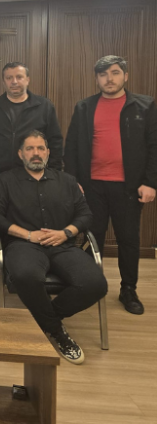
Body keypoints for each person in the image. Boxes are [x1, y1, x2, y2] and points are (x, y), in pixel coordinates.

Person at [0, 131, 108, 365]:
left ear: (48, 152)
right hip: (23, 245)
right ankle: (58, 333)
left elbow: (85, 215)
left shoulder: (67, 181)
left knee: (96, 284)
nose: (36, 153)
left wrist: (66, 233)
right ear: (20, 154)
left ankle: (45, 319)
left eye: (40, 148)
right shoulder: (5, 181)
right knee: (26, 276)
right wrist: (27, 234)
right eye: (30, 149)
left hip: (63, 244)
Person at [65, 55, 157, 315]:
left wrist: (150, 182)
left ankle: (128, 289)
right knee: (91, 237)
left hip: (129, 187)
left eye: (115, 73)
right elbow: (72, 147)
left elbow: (154, 146)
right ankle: (88, 286)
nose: (109, 79)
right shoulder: (84, 107)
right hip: (91, 186)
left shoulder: (144, 106)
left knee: (128, 239)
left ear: (125, 76)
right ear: (97, 78)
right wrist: (72, 182)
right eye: (103, 74)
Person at [0, 62, 63, 291]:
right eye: (9, 77)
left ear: (27, 79)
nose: (14, 81)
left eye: (19, 77)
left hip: (34, 175)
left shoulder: (43, 106)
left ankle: (28, 270)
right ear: (4, 81)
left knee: (29, 220)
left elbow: (55, 140)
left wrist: (53, 173)